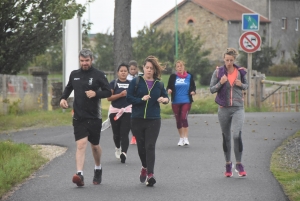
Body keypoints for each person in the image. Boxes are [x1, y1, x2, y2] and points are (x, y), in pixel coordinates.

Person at [60, 49, 112, 187]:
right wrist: (63, 98)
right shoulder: (74, 74)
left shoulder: (99, 75)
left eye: (87, 61)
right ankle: (80, 174)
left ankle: (98, 168)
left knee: (94, 146)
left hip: (94, 116)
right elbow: (68, 88)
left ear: (92, 60)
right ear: (79, 60)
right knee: (81, 144)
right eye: (82, 61)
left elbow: (108, 92)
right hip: (79, 117)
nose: (84, 63)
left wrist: (95, 93)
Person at [126, 55, 169, 187]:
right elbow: (129, 98)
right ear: (143, 68)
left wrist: (165, 100)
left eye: (151, 68)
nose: (149, 70)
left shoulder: (159, 84)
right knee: (141, 146)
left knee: (150, 146)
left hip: (153, 119)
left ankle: (150, 174)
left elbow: (166, 97)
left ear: (155, 70)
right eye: (147, 67)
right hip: (137, 119)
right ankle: (144, 166)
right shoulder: (136, 81)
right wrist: (141, 100)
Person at [209, 47, 248, 177]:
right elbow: (212, 89)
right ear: (224, 59)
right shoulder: (218, 72)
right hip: (223, 109)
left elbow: (247, 85)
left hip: (238, 108)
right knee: (226, 137)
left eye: (231, 60)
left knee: (237, 135)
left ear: (234, 59)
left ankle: (239, 163)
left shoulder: (241, 72)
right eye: (227, 60)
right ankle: (228, 164)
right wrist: (220, 82)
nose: (229, 62)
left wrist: (240, 85)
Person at [166, 60, 196, 146]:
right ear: (176, 68)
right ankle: (181, 138)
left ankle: (186, 138)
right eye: (178, 66)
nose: (179, 68)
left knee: (183, 117)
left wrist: (193, 91)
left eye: (181, 66)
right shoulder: (173, 77)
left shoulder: (189, 76)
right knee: (178, 120)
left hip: (186, 100)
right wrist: (169, 90)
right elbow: (168, 86)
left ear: (184, 67)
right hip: (175, 101)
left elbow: (193, 87)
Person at [107, 63, 132, 163]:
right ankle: (118, 147)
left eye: (125, 71)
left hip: (127, 110)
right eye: (121, 71)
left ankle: (124, 153)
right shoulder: (113, 83)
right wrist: (120, 95)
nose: (123, 73)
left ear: (128, 72)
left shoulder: (131, 83)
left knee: (124, 133)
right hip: (115, 111)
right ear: (118, 72)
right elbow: (109, 98)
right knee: (116, 134)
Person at [127, 60, 139, 145]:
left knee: (137, 119)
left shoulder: (140, 77)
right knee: (131, 120)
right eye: (131, 69)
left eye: (134, 69)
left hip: (137, 100)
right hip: (129, 101)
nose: (133, 71)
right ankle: (134, 136)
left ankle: (138, 135)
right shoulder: (127, 78)